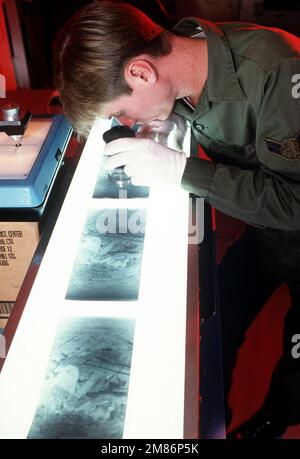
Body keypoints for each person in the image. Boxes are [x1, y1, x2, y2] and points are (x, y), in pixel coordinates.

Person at [53, 1, 300, 438]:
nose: (127, 123)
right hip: (267, 233)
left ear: (142, 73)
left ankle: (272, 422)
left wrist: (181, 171)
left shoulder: (278, 71)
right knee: (211, 330)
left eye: (122, 112)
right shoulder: (186, 61)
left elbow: (295, 202)